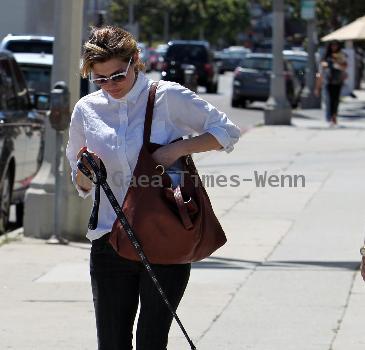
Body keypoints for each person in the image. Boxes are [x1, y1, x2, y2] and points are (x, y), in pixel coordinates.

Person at [65, 26, 240, 350]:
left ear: (135, 61)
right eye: (100, 79)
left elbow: (227, 131)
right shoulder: (87, 110)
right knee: (112, 343)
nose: (110, 86)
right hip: (108, 238)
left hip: (164, 236)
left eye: (117, 76)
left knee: (151, 341)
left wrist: (175, 150)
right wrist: (86, 173)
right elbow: (80, 182)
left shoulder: (167, 97)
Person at [315, 40, 347, 126]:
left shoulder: (341, 55)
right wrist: (318, 86)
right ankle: (329, 117)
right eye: (332, 45)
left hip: (337, 82)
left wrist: (336, 62)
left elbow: (344, 67)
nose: (334, 47)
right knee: (328, 100)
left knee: (335, 100)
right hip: (327, 82)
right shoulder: (326, 57)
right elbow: (320, 72)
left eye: (335, 45)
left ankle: (334, 117)